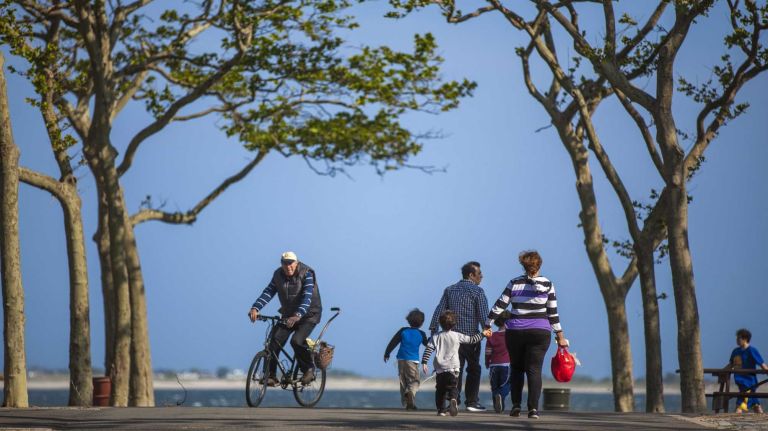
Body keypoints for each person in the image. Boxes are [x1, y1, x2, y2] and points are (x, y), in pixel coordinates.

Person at [486, 250, 568, 420]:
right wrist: (560, 335)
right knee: (534, 370)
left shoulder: (514, 283)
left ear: (523, 265)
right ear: (540, 265)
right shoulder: (548, 284)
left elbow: (499, 305)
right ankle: (533, 410)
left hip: (515, 331)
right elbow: (553, 313)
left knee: (516, 369)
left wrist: (488, 324)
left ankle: (516, 405)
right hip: (540, 332)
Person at [248, 251, 322, 386]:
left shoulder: (307, 273)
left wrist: (298, 315)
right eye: (285, 263)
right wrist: (255, 308)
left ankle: (308, 369)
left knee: (296, 341)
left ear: (297, 263)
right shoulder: (278, 275)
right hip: (289, 315)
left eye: (290, 263)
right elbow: (268, 292)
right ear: (281, 264)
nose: (288, 266)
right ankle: (270, 376)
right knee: (273, 341)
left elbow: (307, 297)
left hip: (309, 315)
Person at [428, 261, 490, 412]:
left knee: (456, 370)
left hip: (452, 338)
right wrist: (487, 332)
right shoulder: (478, 292)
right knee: (474, 369)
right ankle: (472, 402)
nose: (482, 276)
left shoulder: (450, 290)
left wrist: (433, 329)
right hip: (471, 338)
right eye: (479, 274)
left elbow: (439, 310)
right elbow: (483, 316)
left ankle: (454, 399)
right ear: (471, 275)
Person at [422, 310, 491, 417]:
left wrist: (424, 362)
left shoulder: (435, 336)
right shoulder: (456, 335)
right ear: (454, 324)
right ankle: (453, 399)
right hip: (454, 368)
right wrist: (483, 334)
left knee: (440, 390)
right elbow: (472, 340)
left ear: (440, 323)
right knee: (453, 387)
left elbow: (428, 350)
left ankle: (441, 410)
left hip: (440, 369)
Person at [384, 308, 429, 410]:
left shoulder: (403, 331)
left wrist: (387, 353)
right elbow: (427, 344)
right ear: (422, 323)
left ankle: (408, 404)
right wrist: (434, 339)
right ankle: (410, 393)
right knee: (414, 381)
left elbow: (393, 342)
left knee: (403, 381)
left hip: (400, 359)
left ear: (408, 320)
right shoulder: (421, 334)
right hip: (412, 361)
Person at [730, 328, 768, 413]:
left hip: (749, 381)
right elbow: (731, 364)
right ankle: (761, 415)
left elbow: (762, 364)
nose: (737, 340)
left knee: (742, 400)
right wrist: (723, 372)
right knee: (754, 401)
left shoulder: (752, 350)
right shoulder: (735, 351)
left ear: (745, 339)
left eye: (738, 338)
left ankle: (736, 414)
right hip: (739, 380)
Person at [486, 310, 512, 413]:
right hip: (507, 365)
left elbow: (488, 352)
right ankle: (500, 397)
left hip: (494, 365)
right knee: (506, 385)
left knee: (494, 386)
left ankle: (497, 406)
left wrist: (487, 362)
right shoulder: (511, 336)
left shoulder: (492, 336)